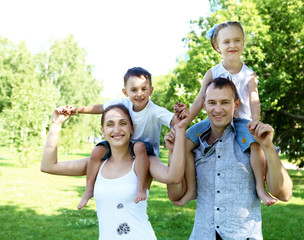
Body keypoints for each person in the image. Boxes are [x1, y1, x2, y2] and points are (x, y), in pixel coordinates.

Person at [167, 78, 293, 239]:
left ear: (236, 105)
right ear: (204, 105)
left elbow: (285, 193)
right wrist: (172, 152)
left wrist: (268, 146)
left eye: (225, 102)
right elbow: (175, 195)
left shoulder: (252, 140)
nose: (218, 109)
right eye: (212, 103)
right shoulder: (194, 145)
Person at [41, 104, 187, 240]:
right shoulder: (97, 163)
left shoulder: (143, 161)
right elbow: (49, 166)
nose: (116, 129)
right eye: (110, 124)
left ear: (132, 129)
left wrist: (175, 143)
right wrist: (56, 124)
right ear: (103, 130)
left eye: (123, 123)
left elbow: (173, 177)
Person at [178, 21, 276, 206]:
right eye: (227, 42)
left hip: (241, 121)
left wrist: (255, 120)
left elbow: (254, 99)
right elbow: (200, 100)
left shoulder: (248, 74)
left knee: (254, 145)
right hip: (214, 119)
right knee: (185, 143)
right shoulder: (213, 72)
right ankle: (191, 189)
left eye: (237, 40)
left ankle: (260, 189)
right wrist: (184, 123)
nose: (232, 45)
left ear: (243, 43)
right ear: (217, 46)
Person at [60, 67, 184, 210]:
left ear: (151, 90)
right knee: (96, 151)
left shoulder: (155, 111)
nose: (139, 94)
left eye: (144, 89)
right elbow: (100, 108)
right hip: (125, 144)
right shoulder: (124, 103)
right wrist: (78, 110)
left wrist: (179, 114)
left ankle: (141, 188)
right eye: (134, 90)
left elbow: (174, 120)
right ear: (125, 92)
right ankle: (88, 190)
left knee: (139, 147)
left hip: (145, 148)